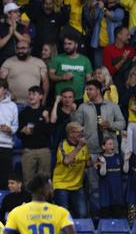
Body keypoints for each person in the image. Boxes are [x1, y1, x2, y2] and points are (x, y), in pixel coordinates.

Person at [72, 80, 126, 213]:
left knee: (113, 184)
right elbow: (76, 128)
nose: (88, 92)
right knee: (94, 186)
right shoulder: (83, 107)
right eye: (87, 90)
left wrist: (110, 125)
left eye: (90, 89)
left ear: (98, 90)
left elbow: (122, 123)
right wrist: (81, 133)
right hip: (91, 151)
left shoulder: (112, 106)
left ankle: (114, 214)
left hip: (111, 151)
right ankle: (97, 216)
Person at [18, 86, 52, 186]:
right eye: (29, 94)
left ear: (41, 96)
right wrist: (23, 131)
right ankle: (29, 201)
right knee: (28, 181)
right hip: (28, 150)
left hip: (44, 150)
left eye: (34, 94)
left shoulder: (46, 111)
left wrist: (46, 120)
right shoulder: (24, 113)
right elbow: (18, 133)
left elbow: (50, 131)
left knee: (45, 180)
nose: (31, 96)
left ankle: (45, 201)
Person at [0, 39, 49, 105]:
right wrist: (7, 93)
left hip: (33, 104)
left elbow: (45, 83)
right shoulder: (8, 62)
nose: (20, 51)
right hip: (12, 103)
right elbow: (0, 82)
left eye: (23, 48)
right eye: (18, 48)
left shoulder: (39, 63)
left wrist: (43, 100)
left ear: (29, 49)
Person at [48, 34, 92, 103]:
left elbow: (89, 79)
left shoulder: (85, 60)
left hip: (79, 97)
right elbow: (50, 75)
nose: (66, 46)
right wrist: (62, 77)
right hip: (61, 97)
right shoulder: (57, 58)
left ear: (76, 45)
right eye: (65, 44)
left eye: (69, 44)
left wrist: (87, 95)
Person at [97, 137, 125, 218]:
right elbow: (102, 174)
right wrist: (104, 164)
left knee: (118, 218)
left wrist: (126, 161)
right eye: (109, 144)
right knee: (106, 219)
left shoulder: (118, 157)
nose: (112, 146)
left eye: (113, 144)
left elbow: (125, 171)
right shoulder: (100, 158)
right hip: (106, 195)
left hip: (117, 195)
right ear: (103, 147)